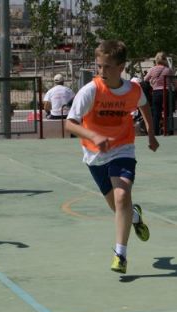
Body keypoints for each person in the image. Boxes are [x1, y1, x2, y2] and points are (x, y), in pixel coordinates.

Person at [64, 40, 159, 274]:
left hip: (123, 149)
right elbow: (69, 124)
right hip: (94, 155)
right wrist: (93, 136)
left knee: (121, 196)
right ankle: (135, 217)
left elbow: (144, 106)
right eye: (99, 66)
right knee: (117, 207)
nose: (101, 71)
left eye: (107, 67)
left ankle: (120, 255)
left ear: (121, 67)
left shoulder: (133, 90)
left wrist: (151, 133)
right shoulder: (91, 90)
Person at [144, 52, 174, 135]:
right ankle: (169, 130)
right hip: (167, 92)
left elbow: (145, 79)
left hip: (156, 92)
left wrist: (152, 82)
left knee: (156, 113)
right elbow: (174, 82)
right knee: (168, 112)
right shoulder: (168, 70)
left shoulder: (152, 69)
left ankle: (156, 132)